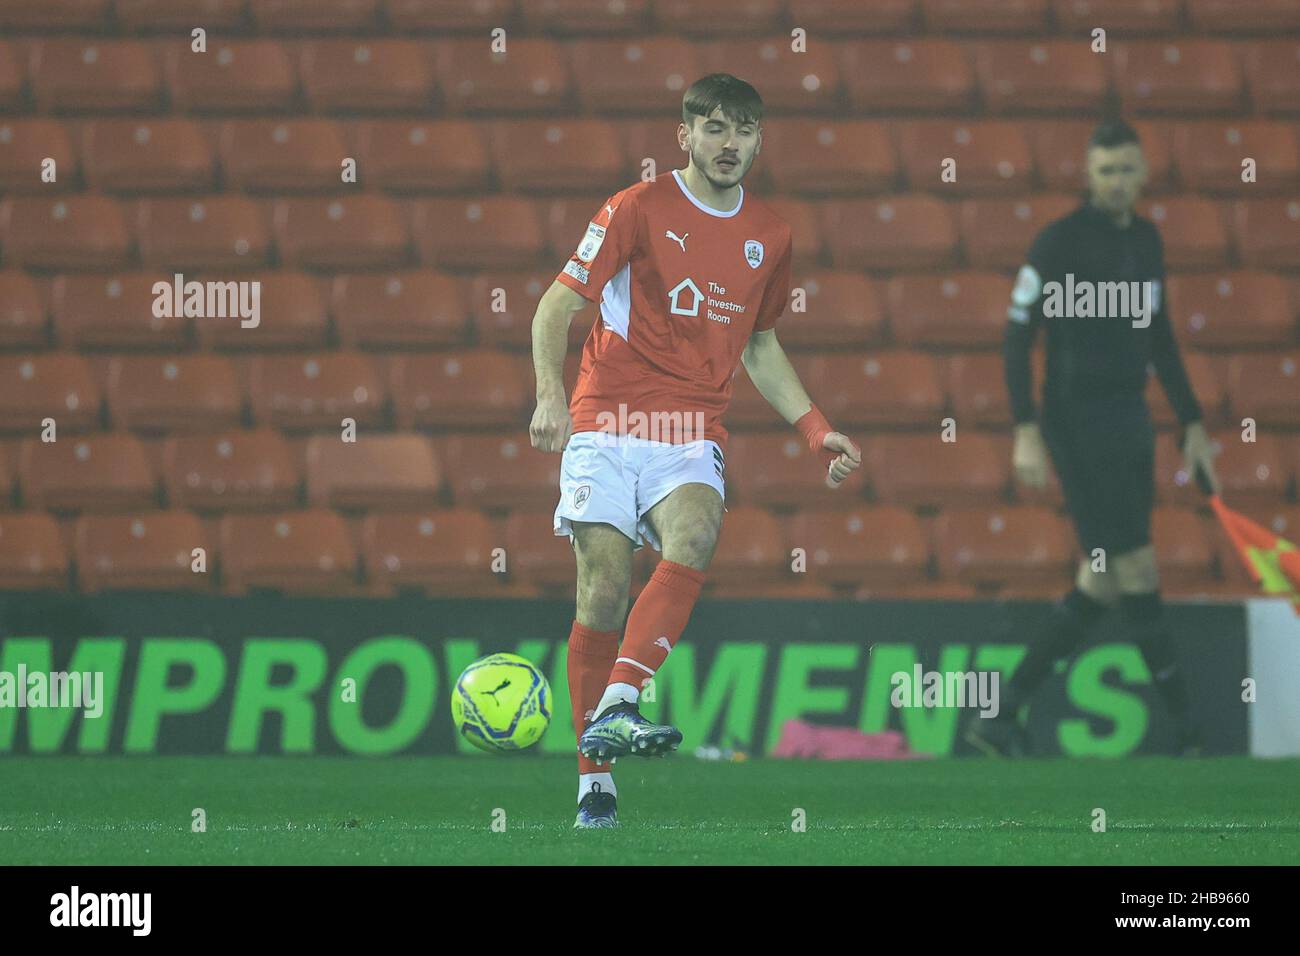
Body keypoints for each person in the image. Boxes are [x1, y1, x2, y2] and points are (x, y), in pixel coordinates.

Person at [528, 74, 861, 827]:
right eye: (714, 128)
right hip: (605, 420)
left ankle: (618, 701)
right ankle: (595, 784)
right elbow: (558, 303)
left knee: (698, 534)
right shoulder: (634, 207)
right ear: (684, 135)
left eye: (744, 129)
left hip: (691, 429)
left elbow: (761, 342)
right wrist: (550, 395)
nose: (729, 143)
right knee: (604, 590)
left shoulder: (771, 234)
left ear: (759, 140)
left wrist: (815, 428)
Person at [967, 118, 1220, 758]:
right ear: (1088, 175)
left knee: (1103, 578)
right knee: (1134, 563)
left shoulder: (1148, 242)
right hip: (1076, 422)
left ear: (1143, 173)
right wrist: (1025, 428)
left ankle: (999, 716)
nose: (1116, 181)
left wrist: (1191, 423)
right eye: (1105, 170)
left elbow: (1159, 334)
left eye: (1126, 169)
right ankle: (1188, 731)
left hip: (1131, 418)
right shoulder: (1059, 244)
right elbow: (1016, 335)